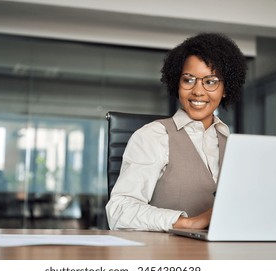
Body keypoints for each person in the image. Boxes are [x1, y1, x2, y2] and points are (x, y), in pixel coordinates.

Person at [105, 33, 247, 232]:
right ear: (177, 83)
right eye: (188, 80)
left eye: (211, 81)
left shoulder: (233, 143)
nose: (198, 91)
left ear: (225, 88)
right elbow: (119, 211)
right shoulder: (153, 136)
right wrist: (188, 223)